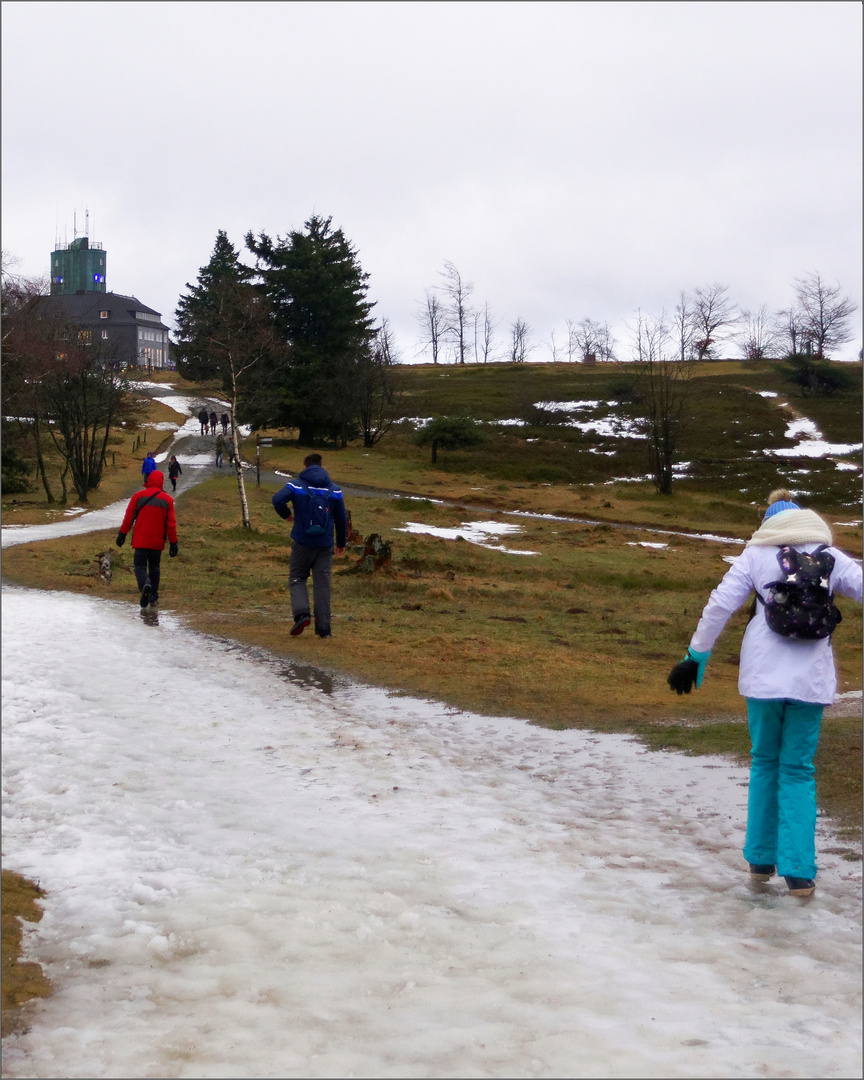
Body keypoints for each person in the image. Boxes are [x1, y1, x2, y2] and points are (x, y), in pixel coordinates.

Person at [667, 488, 861, 898]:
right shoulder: (830, 557)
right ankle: (799, 874)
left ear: (768, 522)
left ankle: (759, 861)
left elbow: (720, 605)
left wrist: (694, 656)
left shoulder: (755, 555)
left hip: (762, 679)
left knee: (764, 763)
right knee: (797, 769)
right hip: (811, 681)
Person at [272, 453, 347, 638]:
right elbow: (341, 519)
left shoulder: (296, 485)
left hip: (302, 542)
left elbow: (277, 500)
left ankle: (302, 614)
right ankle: (324, 631)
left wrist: (287, 515)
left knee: (297, 577)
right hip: (325, 545)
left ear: (305, 467)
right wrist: (341, 543)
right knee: (322, 585)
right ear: (322, 467)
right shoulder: (335, 490)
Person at [116, 469, 179, 609]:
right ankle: (153, 598)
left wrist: (122, 534)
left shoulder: (138, 496)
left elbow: (129, 518)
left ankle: (145, 584)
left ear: (148, 480)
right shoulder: (167, 500)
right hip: (157, 542)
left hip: (141, 540)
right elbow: (171, 524)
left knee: (139, 566)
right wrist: (174, 542)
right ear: (161, 482)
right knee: (155, 568)